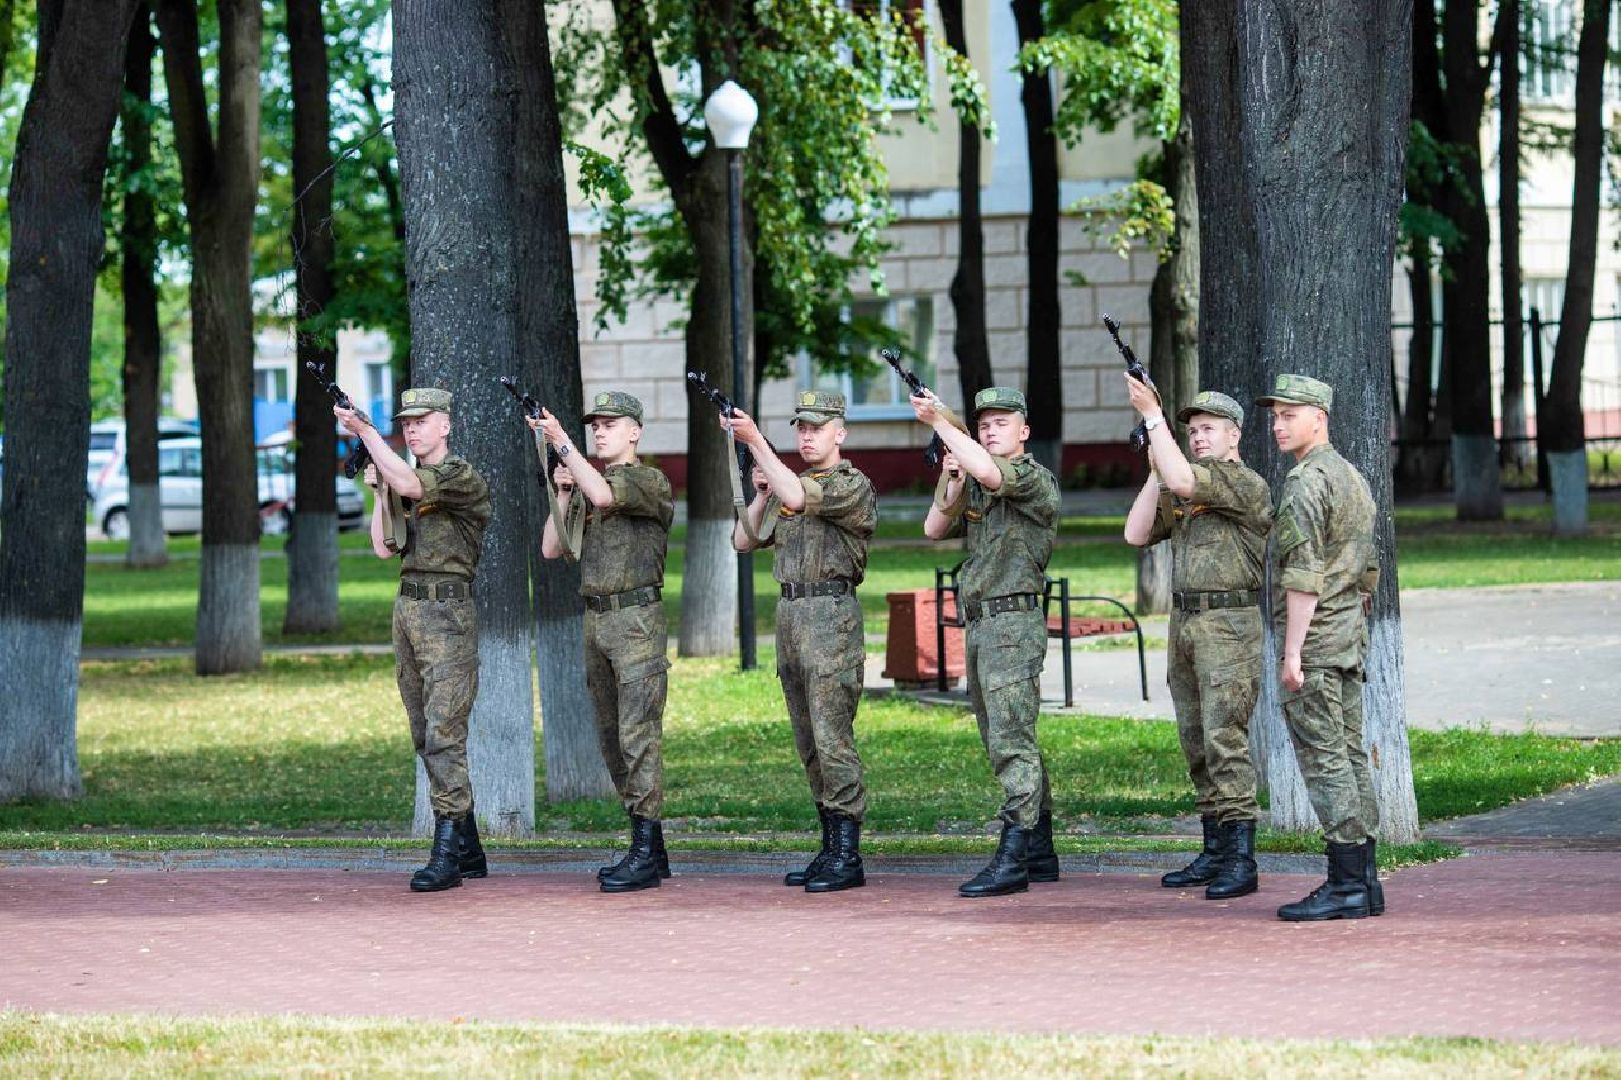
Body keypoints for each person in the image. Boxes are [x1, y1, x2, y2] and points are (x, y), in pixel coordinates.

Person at [337, 387, 492, 893]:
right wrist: (378, 492)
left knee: (445, 732)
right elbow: (384, 547)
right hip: (409, 610)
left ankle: (447, 854)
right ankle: (468, 848)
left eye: (421, 421)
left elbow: (411, 482)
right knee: (425, 733)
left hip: (447, 614)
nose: (412, 429)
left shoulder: (459, 476)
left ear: (445, 424)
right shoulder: (403, 479)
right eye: (406, 422)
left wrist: (366, 433)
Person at [1123, 383, 1271, 900]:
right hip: (1186, 623)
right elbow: (1136, 534)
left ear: (1234, 435)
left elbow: (1186, 479)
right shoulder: (1185, 485)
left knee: (1224, 739)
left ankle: (1241, 857)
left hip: (1229, 625)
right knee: (1195, 740)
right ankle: (1214, 848)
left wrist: (1152, 416)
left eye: (1208, 429)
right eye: (1192, 431)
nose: (1198, 437)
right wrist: (1153, 470)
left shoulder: (1242, 483)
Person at [914, 386, 1060, 898]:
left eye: (1002, 422)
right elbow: (934, 527)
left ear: (1024, 431)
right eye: (983, 424)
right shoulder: (974, 478)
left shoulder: (1033, 478)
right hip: (981, 623)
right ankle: (1039, 848)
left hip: (1013, 624)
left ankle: (1015, 853)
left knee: (1010, 739)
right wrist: (951, 474)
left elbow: (995, 474)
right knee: (1004, 732)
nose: (991, 429)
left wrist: (942, 424)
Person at [729, 390, 876, 893]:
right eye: (802, 429)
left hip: (830, 617)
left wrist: (755, 442)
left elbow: (798, 497)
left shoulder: (850, 484)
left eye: (818, 428)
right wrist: (761, 492)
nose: (808, 437)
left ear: (840, 432)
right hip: (791, 616)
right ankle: (828, 844)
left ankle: (847, 852)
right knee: (808, 740)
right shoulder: (789, 484)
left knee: (833, 738)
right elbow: (743, 540)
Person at [532, 391, 675, 893]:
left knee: (638, 736)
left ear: (634, 431)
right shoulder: (587, 483)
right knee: (613, 739)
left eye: (610, 424)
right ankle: (650, 846)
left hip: (636, 621)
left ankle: (644, 848)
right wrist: (562, 492)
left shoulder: (647, 480)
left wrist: (562, 444)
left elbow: (606, 497)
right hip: (597, 621)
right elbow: (551, 548)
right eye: (594, 424)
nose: (599, 431)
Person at [1257, 373, 1384, 921]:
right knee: (1349, 754)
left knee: (1326, 759)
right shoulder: (1351, 476)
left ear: (1319, 418)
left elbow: (1303, 575)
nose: (1278, 425)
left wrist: (1292, 653)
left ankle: (1347, 884)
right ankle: (1365, 882)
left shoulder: (1306, 483)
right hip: (1347, 639)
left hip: (1317, 643)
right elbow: (1369, 568)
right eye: (1275, 416)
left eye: (1290, 415)